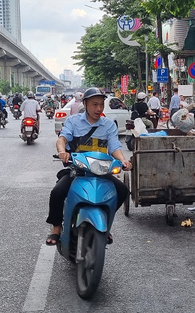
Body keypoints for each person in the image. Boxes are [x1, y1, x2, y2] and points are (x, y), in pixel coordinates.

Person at [46, 87, 132, 246]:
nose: (99, 108)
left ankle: (105, 224)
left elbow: (114, 147)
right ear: (85, 103)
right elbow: (62, 139)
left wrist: (124, 161)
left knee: (122, 191)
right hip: (77, 171)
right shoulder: (73, 121)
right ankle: (56, 227)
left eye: (101, 104)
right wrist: (62, 151)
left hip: (100, 171)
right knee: (57, 192)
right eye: (94, 104)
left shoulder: (108, 125)